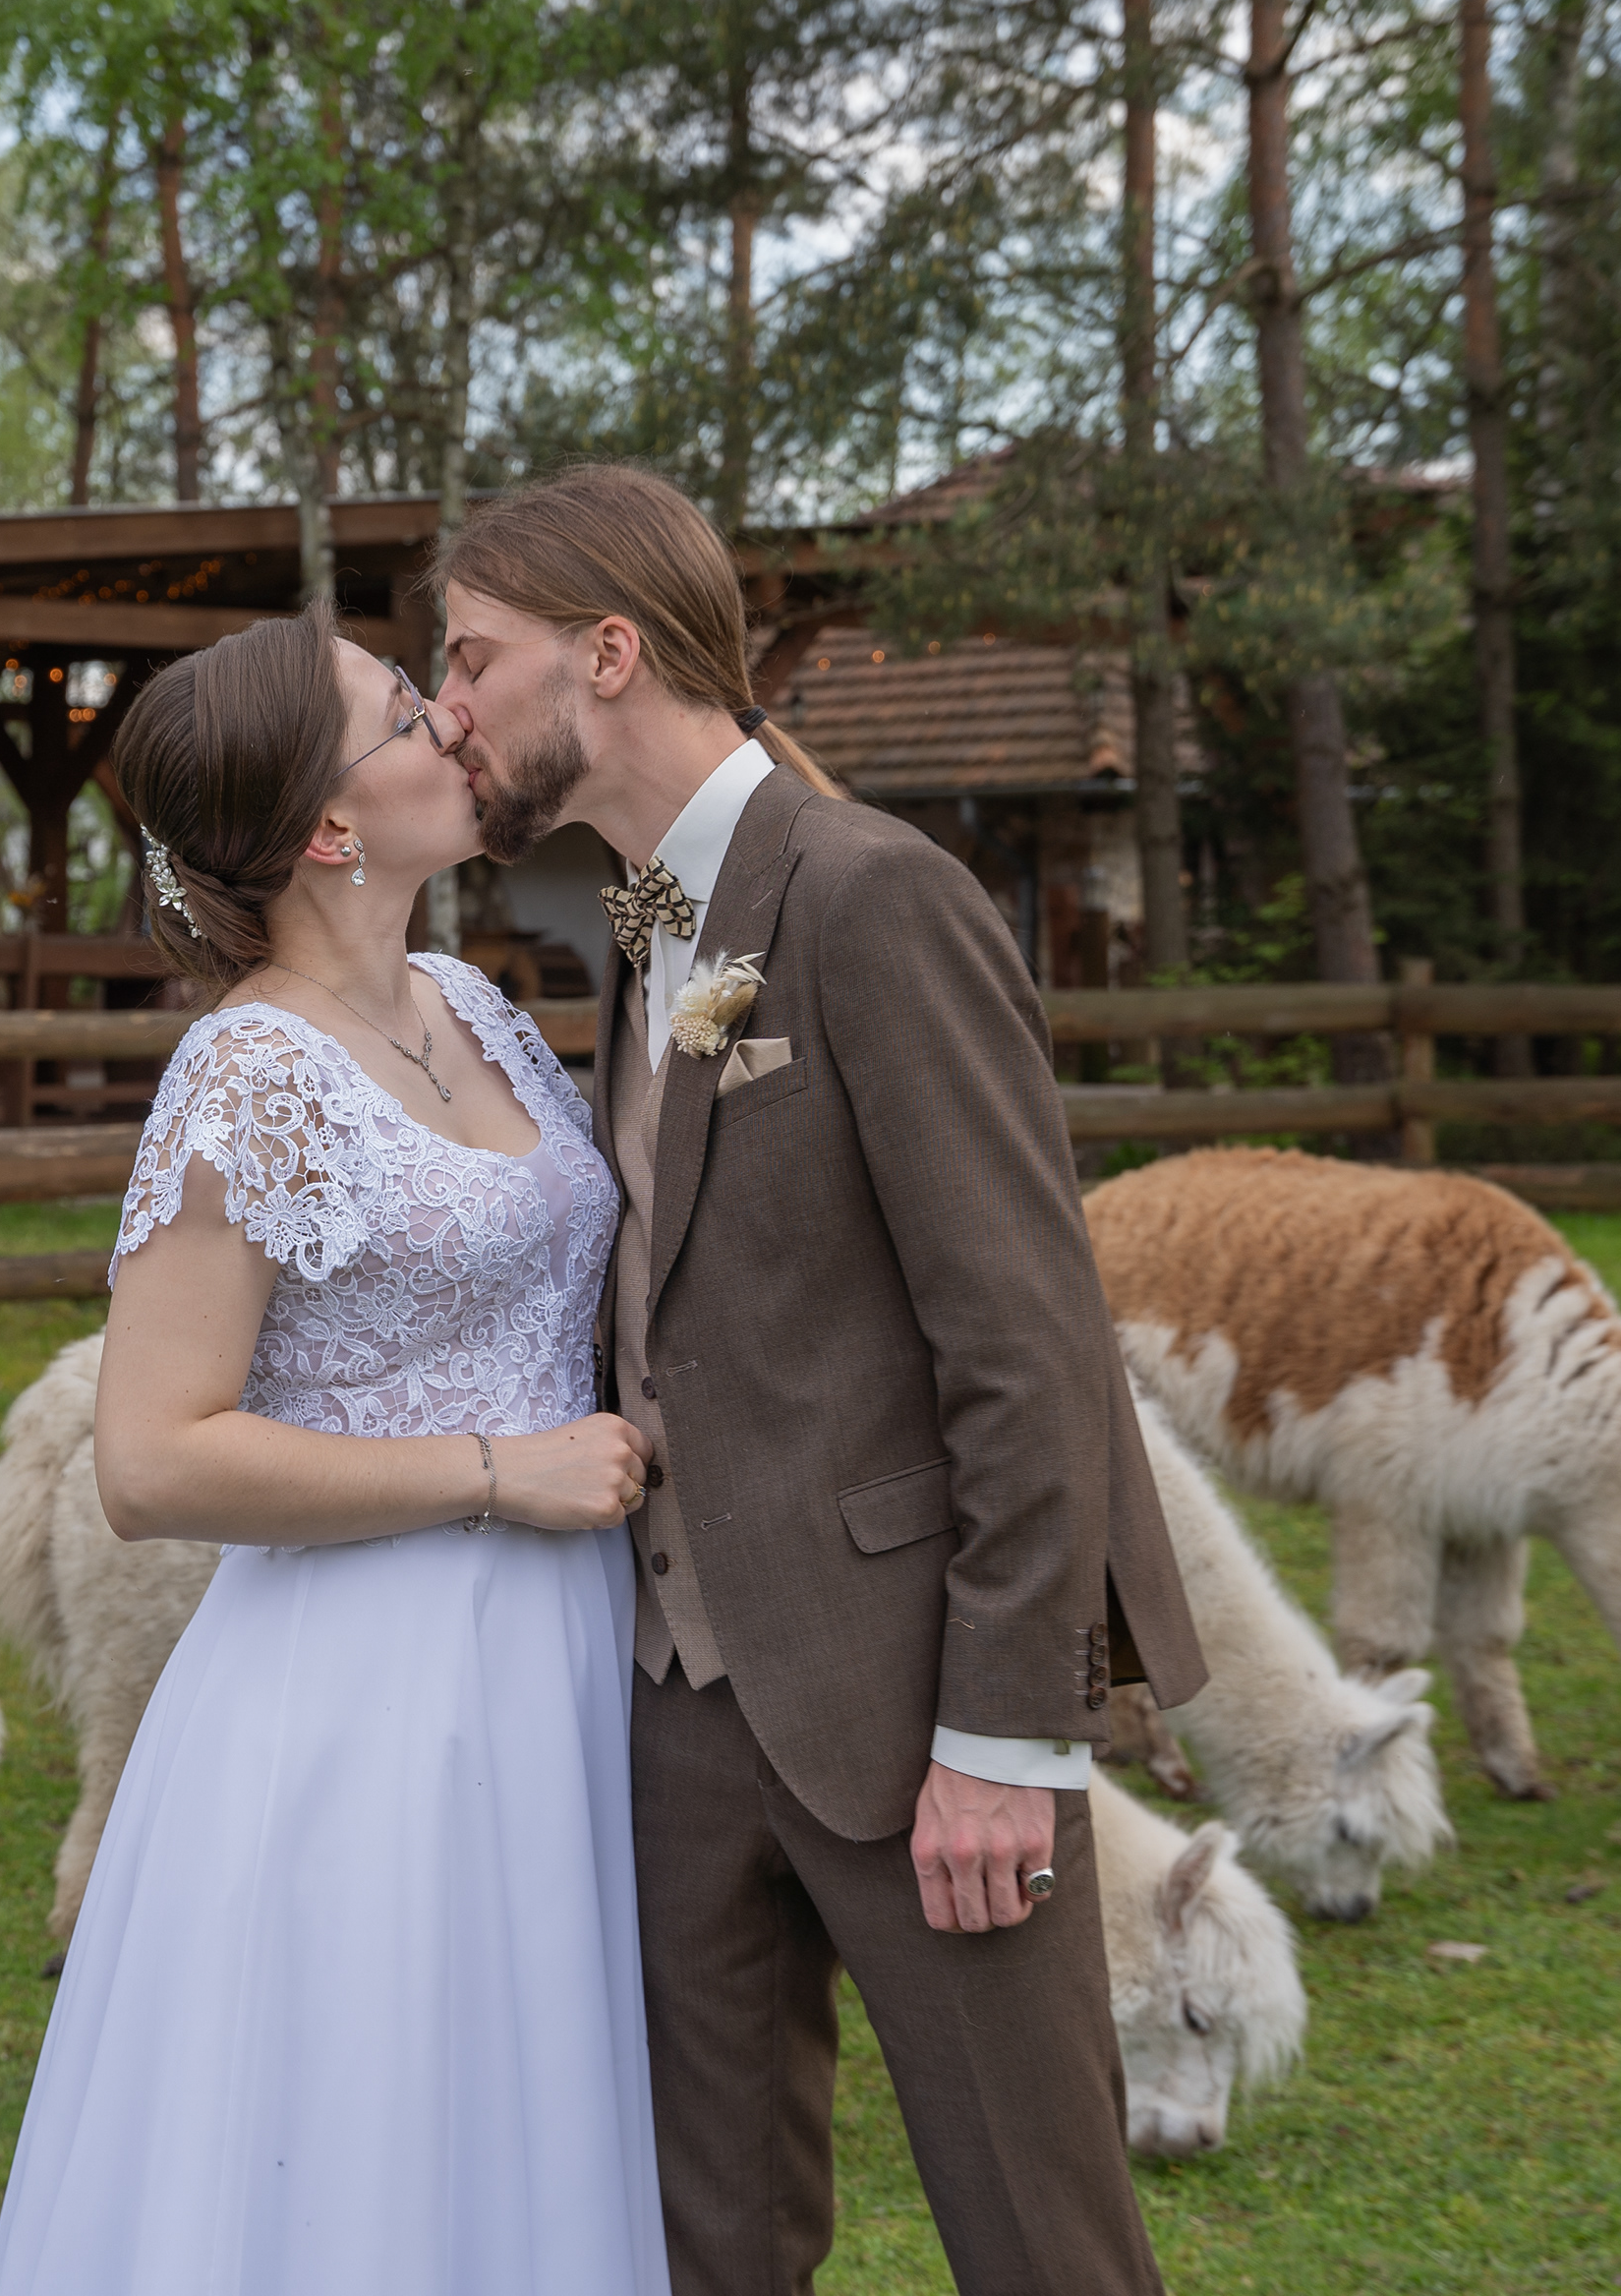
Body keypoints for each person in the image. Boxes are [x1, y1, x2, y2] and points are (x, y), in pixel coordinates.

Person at [427, 463, 1209, 2296]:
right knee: (715, 2250)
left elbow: (1027, 1343)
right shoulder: (643, 927)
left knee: (1041, 2245)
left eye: (469, 657)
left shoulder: (873, 895)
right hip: (678, 1710)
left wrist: (1003, 1739)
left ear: (607, 653)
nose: (446, 707)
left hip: (916, 1700)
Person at [0, 607, 671, 2296]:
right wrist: (496, 1472)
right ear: (327, 827)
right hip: (367, 1698)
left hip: (561, 1663)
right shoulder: (249, 1077)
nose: (452, 719)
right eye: (403, 710)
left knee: (532, 2129)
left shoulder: (472, 1002)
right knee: (372, 2139)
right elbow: (151, 1460)